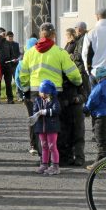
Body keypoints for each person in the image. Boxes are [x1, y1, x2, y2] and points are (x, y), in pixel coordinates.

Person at [19, 23, 83, 165]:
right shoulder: (60, 52)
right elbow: (74, 75)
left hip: (35, 93)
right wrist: (78, 83)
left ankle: (43, 158)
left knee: (40, 125)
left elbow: (22, 76)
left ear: (41, 34)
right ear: (53, 34)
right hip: (55, 93)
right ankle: (59, 158)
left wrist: (25, 90)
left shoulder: (29, 53)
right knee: (57, 125)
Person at [16, 37, 40, 155]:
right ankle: (44, 144)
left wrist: (23, 91)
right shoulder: (40, 59)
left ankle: (33, 145)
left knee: (32, 118)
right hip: (40, 92)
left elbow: (17, 79)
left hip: (28, 94)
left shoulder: (22, 61)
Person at [32, 80, 61, 175]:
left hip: (52, 127)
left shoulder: (54, 100)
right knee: (44, 146)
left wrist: (45, 112)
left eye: (45, 93)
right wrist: (36, 114)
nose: (43, 94)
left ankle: (55, 166)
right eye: (41, 92)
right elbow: (35, 110)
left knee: (52, 146)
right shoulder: (37, 100)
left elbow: (57, 110)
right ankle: (44, 164)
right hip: (41, 127)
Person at [0, 31, 20, 104]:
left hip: (9, 65)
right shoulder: (0, 42)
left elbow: (14, 54)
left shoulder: (12, 44)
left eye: (11, 36)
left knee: (8, 83)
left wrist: (13, 60)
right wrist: (0, 37)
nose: (10, 38)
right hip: (0, 65)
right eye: (8, 36)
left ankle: (10, 98)